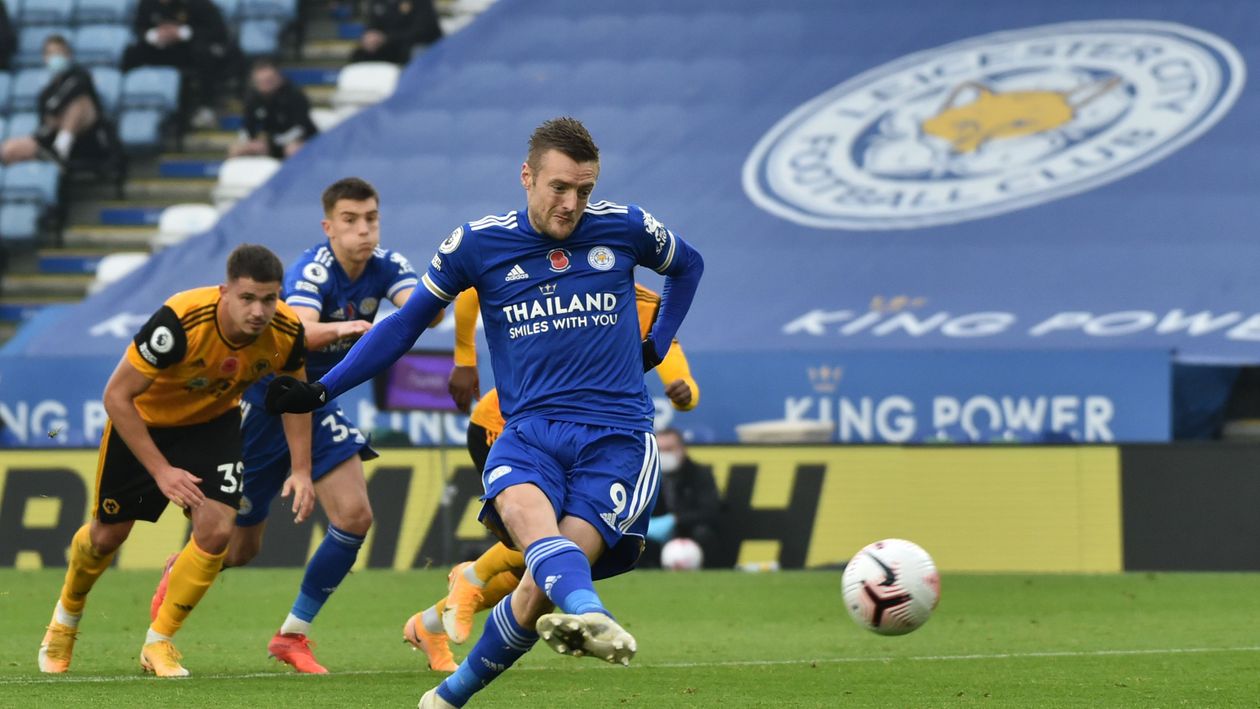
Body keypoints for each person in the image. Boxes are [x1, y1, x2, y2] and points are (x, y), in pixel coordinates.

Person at [266, 116, 703, 707]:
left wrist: (658, 343)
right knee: (542, 545)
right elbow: (404, 324)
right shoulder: (478, 243)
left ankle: (448, 695)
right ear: (527, 176)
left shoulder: (624, 228)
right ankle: (591, 617)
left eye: (584, 190)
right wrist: (325, 390)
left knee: (536, 586)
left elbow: (688, 266)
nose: (571, 204)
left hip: (617, 438)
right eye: (559, 188)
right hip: (527, 435)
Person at [148, 177, 426, 673]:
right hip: (265, 404)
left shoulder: (386, 265)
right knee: (239, 547)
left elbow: (420, 307)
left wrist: (427, 311)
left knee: (356, 515)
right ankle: (178, 580)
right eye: (351, 220)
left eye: (371, 219)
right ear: (329, 227)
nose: (364, 231)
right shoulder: (312, 271)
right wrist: (346, 327)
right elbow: (290, 338)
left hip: (316, 403)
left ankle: (292, 635)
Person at [37, 245, 311, 678]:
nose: (259, 311)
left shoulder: (287, 329)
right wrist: (160, 470)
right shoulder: (181, 321)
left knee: (217, 530)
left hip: (211, 424)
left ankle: (159, 641)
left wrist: (301, 470)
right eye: (247, 298)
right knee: (107, 538)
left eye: (269, 299)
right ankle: (65, 618)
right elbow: (116, 397)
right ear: (225, 292)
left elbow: (296, 397)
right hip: (144, 421)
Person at [403, 283, 702, 670]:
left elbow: (671, 356)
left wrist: (686, 392)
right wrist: (464, 360)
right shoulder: (554, 273)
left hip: (586, 434)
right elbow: (474, 289)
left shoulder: (636, 295)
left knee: (547, 562)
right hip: (511, 425)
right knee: (549, 542)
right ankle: (472, 578)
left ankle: (430, 623)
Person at [1, 35, 117, 167]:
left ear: (68, 56)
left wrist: (54, 110)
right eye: (50, 53)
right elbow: (45, 124)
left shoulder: (81, 76)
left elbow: (73, 90)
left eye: (58, 53)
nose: (54, 58)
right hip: (50, 142)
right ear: (44, 58)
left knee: (80, 103)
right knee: (8, 149)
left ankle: (61, 148)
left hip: (89, 142)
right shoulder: (45, 94)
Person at [123, 0, 238, 128]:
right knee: (131, 53)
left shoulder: (199, 4)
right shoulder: (146, 4)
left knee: (204, 54)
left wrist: (183, 32)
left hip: (189, 52)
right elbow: (139, 29)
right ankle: (128, 104)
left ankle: (206, 107)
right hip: (160, 50)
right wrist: (155, 34)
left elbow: (217, 31)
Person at [643, 427, 720, 567]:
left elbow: (710, 511)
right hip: (656, 538)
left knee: (704, 533)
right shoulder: (648, 477)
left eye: (669, 449)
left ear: (682, 449)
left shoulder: (700, 474)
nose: (664, 454)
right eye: (660, 449)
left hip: (689, 533)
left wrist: (675, 519)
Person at [229, 57, 319, 159]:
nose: (265, 86)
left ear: (278, 78)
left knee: (293, 149)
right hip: (269, 144)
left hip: (297, 140)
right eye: (261, 82)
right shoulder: (253, 100)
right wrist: (249, 142)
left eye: (269, 81)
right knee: (236, 148)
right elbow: (247, 127)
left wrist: (273, 142)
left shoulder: (294, 96)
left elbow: (300, 128)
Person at [350, 0, 442, 65]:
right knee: (360, 53)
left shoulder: (421, 2)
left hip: (417, 43)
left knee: (418, 53)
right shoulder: (376, 2)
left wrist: (387, 38)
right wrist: (370, 36)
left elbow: (423, 30)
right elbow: (372, 24)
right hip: (389, 44)